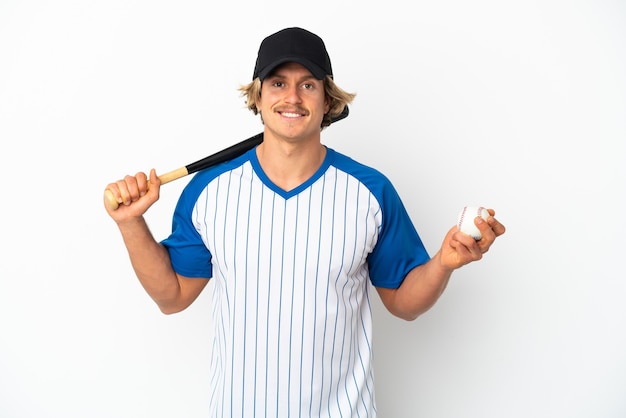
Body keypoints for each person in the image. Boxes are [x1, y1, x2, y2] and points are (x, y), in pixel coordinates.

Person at [104, 27, 506, 418]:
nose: (292, 97)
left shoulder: (370, 191)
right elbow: (172, 297)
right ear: (258, 98)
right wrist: (131, 224)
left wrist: (443, 263)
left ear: (328, 100)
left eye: (308, 84)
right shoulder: (209, 190)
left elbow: (404, 303)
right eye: (277, 83)